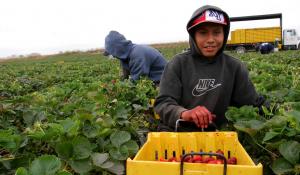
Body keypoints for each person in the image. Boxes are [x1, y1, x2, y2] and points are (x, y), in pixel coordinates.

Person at [154, 5, 267, 131]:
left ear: (224, 34)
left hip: (218, 135)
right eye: (203, 33)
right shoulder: (178, 64)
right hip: (179, 132)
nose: (211, 40)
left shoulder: (234, 67)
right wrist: (185, 113)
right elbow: (163, 103)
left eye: (217, 32)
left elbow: (252, 104)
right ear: (193, 36)